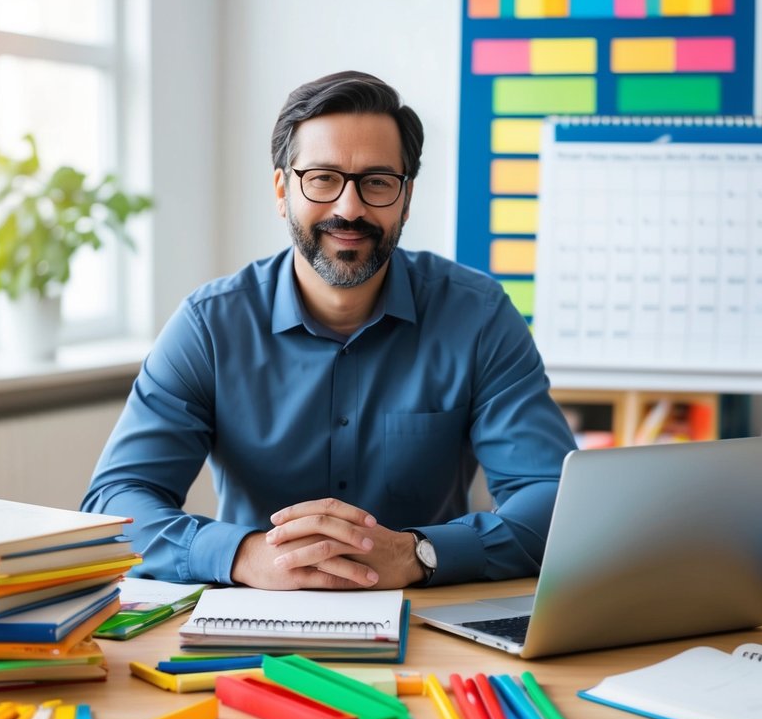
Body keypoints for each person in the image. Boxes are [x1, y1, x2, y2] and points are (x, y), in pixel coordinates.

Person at [82, 70, 575, 590]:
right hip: (252, 613)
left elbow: (555, 500)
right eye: (322, 178)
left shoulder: (478, 316)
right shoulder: (210, 326)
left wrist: (419, 552)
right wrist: (243, 556)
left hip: (430, 614)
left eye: (378, 182)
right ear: (282, 189)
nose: (349, 208)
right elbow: (114, 503)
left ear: (406, 199)